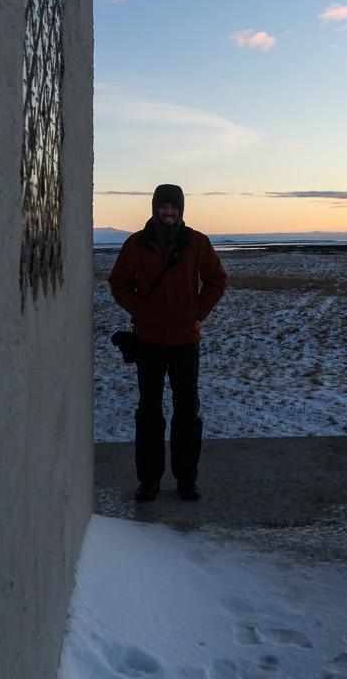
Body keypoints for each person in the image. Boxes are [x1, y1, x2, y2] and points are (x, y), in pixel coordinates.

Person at [108, 184, 227, 502]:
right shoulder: (137, 243)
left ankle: (187, 479)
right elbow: (118, 282)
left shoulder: (197, 242)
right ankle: (149, 480)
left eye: (174, 207)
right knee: (149, 412)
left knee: (187, 411)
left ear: (182, 209)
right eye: (163, 206)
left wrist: (197, 312)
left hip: (185, 341)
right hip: (148, 341)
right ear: (154, 208)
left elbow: (217, 280)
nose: (169, 212)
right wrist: (141, 310)